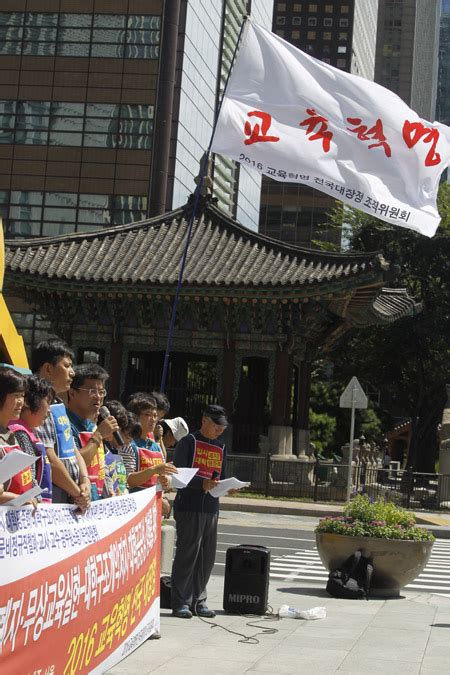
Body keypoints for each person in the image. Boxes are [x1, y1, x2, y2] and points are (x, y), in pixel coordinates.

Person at [171, 404, 229, 619]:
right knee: (188, 554)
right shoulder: (188, 442)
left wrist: (226, 485)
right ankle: (181, 602)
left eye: (222, 427)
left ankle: (199, 600)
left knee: (207, 556)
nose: (219, 430)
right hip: (189, 505)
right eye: (216, 426)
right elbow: (178, 477)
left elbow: (221, 475)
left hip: (212, 507)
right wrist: (200, 484)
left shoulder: (221, 447)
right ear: (204, 420)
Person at [32, 339, 90, 511]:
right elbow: (48, 457)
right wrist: (77, 493)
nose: (72, 373)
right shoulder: (36, 404)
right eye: (67, 366)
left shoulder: (57, 403)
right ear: (48, 369)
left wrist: (85, 480)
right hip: (53, 495)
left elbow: (72, 448)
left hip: (71, 494)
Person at [66, 364, 119, 501]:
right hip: (76, 502)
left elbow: (100, 466)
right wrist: (99, 435)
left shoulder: (92, 426)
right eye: (91, 391)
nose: (98, 397)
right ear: (72, 393)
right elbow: (74, 464)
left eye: (101, 392)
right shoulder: (65, 424)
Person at [126, 395, 177, 512]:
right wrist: (154, 470)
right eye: (148, 415)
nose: (153, 419)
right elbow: (128, 481)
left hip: (153, 510)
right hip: (135, 509)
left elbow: (159, 480)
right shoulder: (129, 444)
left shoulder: (156, 447)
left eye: (155, 416)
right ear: (136, 417)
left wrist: (165, 482)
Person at [9, 374, 54, 502]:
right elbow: (28, 476)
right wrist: (36, 499)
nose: (49, 411)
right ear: (29, 402)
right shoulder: (20, 433)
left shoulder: (26, 432)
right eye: (47, 402)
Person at [0, 367, 37, 506]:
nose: (21, 401)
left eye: (22, 395)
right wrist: (20, 499)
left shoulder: (12, 435)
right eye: (15, 395)